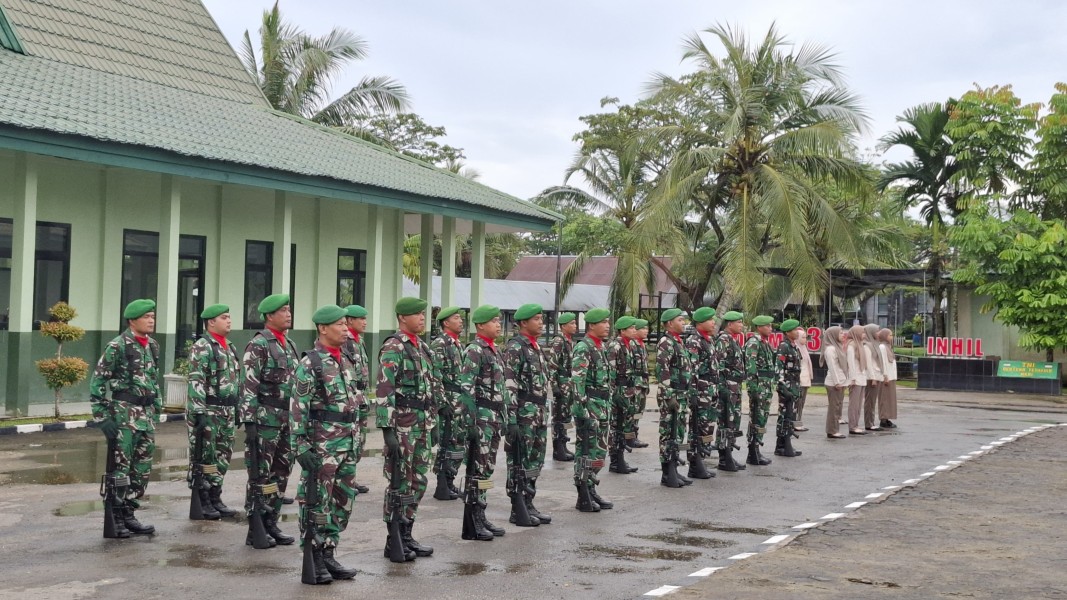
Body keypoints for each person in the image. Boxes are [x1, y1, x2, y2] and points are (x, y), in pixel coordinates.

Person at [292, 305, 363, 582]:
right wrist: (301, 447)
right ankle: (314, 555)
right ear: (323, 328)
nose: (346, 329)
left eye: (347, 324)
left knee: (342, 501)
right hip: (322, 445)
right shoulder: (311, 363)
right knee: (317, 502)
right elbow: (297, 407)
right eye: (340, 324)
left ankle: (329, 551)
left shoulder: (345, 359)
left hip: (347, 443)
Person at [89, 298, 162, 537]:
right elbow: (98, 380)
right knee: (120, 469)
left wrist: (157, 408)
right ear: (133, 320)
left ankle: (130, 513)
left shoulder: (153, 345)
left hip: (146, 416)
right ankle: (115, 516)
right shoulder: (117, 346)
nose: (151, 320)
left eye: (153, 316)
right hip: (124, 416)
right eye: (146, 317)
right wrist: (102, 417)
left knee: (141, 468)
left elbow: (153, 380)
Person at [375, 297, 439, 560]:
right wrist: (387, 430)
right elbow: (384, 390)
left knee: (418, 481)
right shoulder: (394, 347)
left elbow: (430, 388)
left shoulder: (422, 347)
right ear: (402, 318)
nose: (422, 318)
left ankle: (407, 532)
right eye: (417, 314)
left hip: (422, 423)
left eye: (424, 314)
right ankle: (394, 538)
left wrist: (433, 421)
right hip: (402, 425)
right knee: (399, 482)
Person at [240, 293, 298, 547]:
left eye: (289, 309)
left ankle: (271, 521)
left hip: (287, 420)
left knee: (281, 473)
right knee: (260, 476)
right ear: (270, 316)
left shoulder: (290, 344)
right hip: (265, 421)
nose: (288, 313)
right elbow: (249, 387)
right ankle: (255, 528)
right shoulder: (259, 344)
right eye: (283, 310)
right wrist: (250, 423)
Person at [186, 304, 241, 520]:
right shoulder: (203, 346)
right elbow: (197, 379)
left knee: (223, 456)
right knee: (205, 456)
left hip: (226, 410)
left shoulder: (229, 347)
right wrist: (198, 412)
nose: (229, 320)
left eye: (229, 317)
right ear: (211, 322)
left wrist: (238, 408)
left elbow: (237, 381)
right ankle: (204, 499)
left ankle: (216, 496)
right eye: (224, 317)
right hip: (208, 409)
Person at [458, 304, 509, 536]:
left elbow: (501, 389)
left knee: (487, 469)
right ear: (480, 325)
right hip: (481, 420)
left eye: (499, 321)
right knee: (477, 470)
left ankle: (482, 512)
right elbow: (465, 389)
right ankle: (473, 519)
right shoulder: (475, 350)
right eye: (493, 321)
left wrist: (505, 416)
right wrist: (470, 423)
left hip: (494, 418)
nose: (498, 325)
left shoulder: (493, 349)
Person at [503, 303, 553, 525]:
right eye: (537, 319)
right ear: (523, 323)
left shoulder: (536, 347)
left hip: (539, 413)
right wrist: (512, 419)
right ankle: (517, 506)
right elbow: (509, 385)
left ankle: (528, 501)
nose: (541, 322)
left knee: (535, 461)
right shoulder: (515, 347)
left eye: (542, 318)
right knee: (519, 462)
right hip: (524, 414)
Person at [571, 308, 614, 511]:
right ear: (591, 325)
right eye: (603, 322)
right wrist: (582, 410)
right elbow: (577, 381)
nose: (607, 326)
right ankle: (583, 493)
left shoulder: (600, 347)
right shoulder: (584, 347)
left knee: (599, 451)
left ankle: (592, 486)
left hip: (602, 407)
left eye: (608, 322)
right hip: (590, 408)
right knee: (585, 451)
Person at [430, 306, 467, 501]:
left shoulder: (457, 344)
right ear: (446, 323)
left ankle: (450, 480)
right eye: (456, 318)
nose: (460, 321)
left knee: (457, 443)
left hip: (459, 401)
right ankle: (442, 483)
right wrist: (442, 403)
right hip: (449, 402)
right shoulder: (440, 344)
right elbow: (435, 376)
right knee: (447, 442)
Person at [657, 308, 695, 488]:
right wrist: (668, 395)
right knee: (668, 433)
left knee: (678, 432)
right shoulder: (666, 342)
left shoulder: (679, 342)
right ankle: (667, 472)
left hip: (681, 394)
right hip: (671, 394)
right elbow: (662, 371)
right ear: (670, 323)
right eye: (680, 320)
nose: (684, 323)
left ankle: (674, 469)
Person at [684, 307, 720, 480]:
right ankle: (695, 463)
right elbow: (692, 370)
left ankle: (701, 460)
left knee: (707, 426)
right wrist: (693, 393)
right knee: (697, 427)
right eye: (710, 320)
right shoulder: (694, 341)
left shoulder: (708, 340)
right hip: (700, 391)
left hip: (709, 391)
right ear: (700, 322)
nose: (714, 323)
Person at [341, 305, 373, 496]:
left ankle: (351, 478)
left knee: (359, 440)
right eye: (360, 319)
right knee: (351, 440)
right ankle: (346, 480)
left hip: (361, 397)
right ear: (350, 320)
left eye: (365, 318)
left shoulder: (358, 341)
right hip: (353, 398)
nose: (365, 322)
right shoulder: (346, 341)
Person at [715, 311, 747, 471]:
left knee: (733, 421)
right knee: (725, 421)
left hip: (735, 387)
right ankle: (723, 458)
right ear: (729, 324)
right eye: (739, 322)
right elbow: (718, 366)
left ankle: (729, 454)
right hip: (727, 387)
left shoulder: (733, 340)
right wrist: (722, 388)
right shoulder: (723, 340)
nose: (741, 325)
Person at [607, 316, 639, 475]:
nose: (635, 330)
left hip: (628, 390)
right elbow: (610, 372)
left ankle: (620, 458)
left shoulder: (630, 345)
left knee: (624, 424)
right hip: (619, 390)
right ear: (623, 330)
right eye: (631, 328)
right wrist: (613, 394)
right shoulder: (615, 346)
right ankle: (615, 460)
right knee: (616, 426)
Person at [744, 315, 776, 466]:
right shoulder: (754, 343)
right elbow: (751, 367)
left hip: (766, 387)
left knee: (762, 419)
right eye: (767, 326)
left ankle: (757, 449)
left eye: (771, 326)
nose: (770, 328)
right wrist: (753, 389)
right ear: (759, 327)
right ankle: (752, 451)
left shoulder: (765, 343)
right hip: (759, 387)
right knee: (756, 418)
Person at [546, 313, 577, 461]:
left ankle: (563, 445)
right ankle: (557, 449)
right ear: (563, 326)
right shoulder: (559, 341)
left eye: (575, 323)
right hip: (562, 382)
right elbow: (552, 365)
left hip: (569, 383)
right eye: (571, 323)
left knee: (566, 416)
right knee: (558, 416)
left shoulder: (570, 341)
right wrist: (554, 386)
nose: (575, 325)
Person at [774, 319, 803, 457]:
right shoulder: (784, 346)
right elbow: (779, 368)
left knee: (790, 415)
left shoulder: (794, 346)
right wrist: (783, 387)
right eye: (794, 330)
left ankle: (785, 444)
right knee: (784, 415)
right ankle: (782, 445)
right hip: (787, 385)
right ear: (787, 332)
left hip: (794, 385)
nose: (797, 332)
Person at [820, 326, 848, 439]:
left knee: (837, 407)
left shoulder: (838, 347)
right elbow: (832, 368)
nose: (843, 335)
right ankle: (832, 430)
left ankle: (834, 429)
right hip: (834, 383)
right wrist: (837, 382)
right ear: (833, 335)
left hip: (840, 382)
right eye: (840, 333)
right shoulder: (831, 349)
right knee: (834, 408)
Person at [630, 319, 651, 448]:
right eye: (643, 328)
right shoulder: (632, 345)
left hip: (643, 383)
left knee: (639, 411)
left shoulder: (642, 345)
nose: (646, 331)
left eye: (646, 328)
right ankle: (630, 437)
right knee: (632, 410)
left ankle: (634, 435)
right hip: (635, 384)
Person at [845, 325, 868, 436]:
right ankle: (852, 426)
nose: (864, 335)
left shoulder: (860, 345)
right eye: (862, 333)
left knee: (859, 404)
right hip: (855, 379)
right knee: (854, 404)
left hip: (862, 377)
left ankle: (856, 424)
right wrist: (853, 378)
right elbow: (851, 364)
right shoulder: (851, 346)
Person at [863, 323, 884, 431]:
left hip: (877, 376)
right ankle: (869, 423)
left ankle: (871, 422)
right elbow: (869, 364)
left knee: (873, 401)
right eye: (876, 331)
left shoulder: (875, 344)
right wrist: (873, 378)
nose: (879, 333)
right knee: (870, 401)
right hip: (872, 377)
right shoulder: (867, 346)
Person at [878, 328, 899, 429]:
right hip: (886, 377)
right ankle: (883, 419)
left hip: (891, 377)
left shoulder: (888, 347)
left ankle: (887, 418)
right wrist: (885, 375)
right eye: (890, 335)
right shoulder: (882, 347)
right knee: (884, 399)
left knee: (889, 399)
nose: (892, 337)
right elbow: (883, 363)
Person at [794, 328, 813, 432]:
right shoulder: (796, 349)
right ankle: (796, 423)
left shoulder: (804, 348)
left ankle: (799, 422)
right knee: (798, 403)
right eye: (803, 337)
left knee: (802, 402)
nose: (805, 339)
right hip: (800, 379)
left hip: (805, 379)